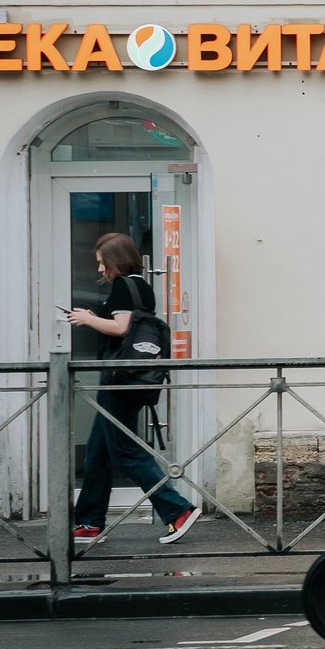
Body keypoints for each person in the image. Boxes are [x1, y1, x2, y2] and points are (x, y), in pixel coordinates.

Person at [66, 232, 202, 548]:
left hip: (119, 377)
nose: (100, 270)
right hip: (130, 376)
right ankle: (89, 522)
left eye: (102, 263)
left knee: (124, 450)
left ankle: (178, 510)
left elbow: (121, 328)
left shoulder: (124, 287)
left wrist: (87, 318)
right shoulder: (141, 287)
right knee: (99, 450)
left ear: (115, 260)